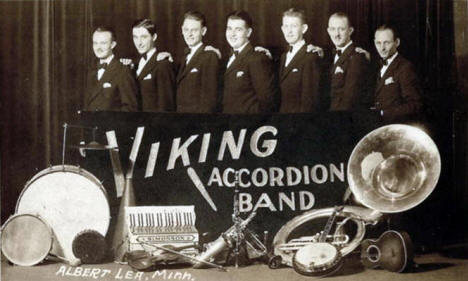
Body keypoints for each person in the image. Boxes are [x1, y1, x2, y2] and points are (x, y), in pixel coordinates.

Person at [222, 10, 277, 113]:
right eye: (229, 29)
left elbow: (267, 101)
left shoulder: (257, 58)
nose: (232, 34)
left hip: (248, 125)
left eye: (238, 29)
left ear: (248, 32)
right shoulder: (226, 59)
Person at [372, 24, 422, 123]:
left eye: (386, 43)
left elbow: (415, 105)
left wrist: (383, 113)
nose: (382, 48)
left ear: (397, 42)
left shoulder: (405, 67)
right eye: (378, 43)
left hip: (397, 128)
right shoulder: (378, 65)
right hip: (380, 127)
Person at [84, 26, 138, 111]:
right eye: (95, 43)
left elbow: (130, 108)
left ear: (113, 44)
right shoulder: (91, 70)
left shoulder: (123, 70)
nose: (98, 48)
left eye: (103, 43)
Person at [176, 11, 220, 113]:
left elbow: (210, 100)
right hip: (182, 120)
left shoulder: (210, 56)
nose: (189, 34)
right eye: (186, 30)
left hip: (197, 123)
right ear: (182, 30)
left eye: (194, 30)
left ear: (203, 31)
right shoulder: (184, 57)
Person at [279, 8, 322, 113]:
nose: (289, 31)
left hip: (299, 122)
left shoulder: (310, 57)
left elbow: (310, 100)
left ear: (304, 28)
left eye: (294, 26)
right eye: (286, 26)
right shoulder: (284, 56)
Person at [327, 12, 370, 111]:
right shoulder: (329, 55)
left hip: (341, 118)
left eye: (341, 29)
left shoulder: (356, 57)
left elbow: (350, 100)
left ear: (350, 31)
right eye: (333, 29)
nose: (336, 34)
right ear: (328, 31)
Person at [132, 19, 175, 112]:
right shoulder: (135, 65)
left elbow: (166, 106)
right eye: (135, 37)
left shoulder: (163, 64)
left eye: (143, 37)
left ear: (154, 37)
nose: (139, 43)